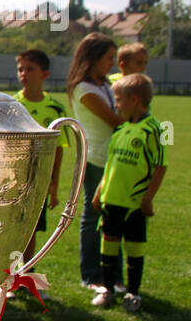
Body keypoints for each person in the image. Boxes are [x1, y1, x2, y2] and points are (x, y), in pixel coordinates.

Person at [91, 74, 166, 313]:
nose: (117, 105)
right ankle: (108, 289)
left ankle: (133, 293)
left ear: (135, 100)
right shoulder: (121, 129)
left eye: (119, 100)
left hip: (134, 203)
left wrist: (147, 198)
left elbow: (160, 166)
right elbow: (111, 165)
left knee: (134, 247)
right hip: (112, 198)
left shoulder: (153, 128)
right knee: (109, 242)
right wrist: (98, 192)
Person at [67, 33, 122, 290]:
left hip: (113, 158)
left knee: (114, 215)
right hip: (96, 158)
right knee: (93, 215)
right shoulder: (84, 88)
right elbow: (113, 120)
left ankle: (113, 274)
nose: (112, 63)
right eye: (109, 58)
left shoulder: (105, 85)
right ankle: (91, 274)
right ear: (93, 58)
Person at [14, 48, 68, 271]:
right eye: (20, 69)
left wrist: (54, 185)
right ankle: (7, 278)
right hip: (13, 179)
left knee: (31, 229)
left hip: (38, 180)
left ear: (45, 74)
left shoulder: (55, 109)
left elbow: (58, 149)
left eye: (30, 69)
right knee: (10, 229)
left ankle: (26, 274)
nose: (23, 74)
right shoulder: (11, 105)